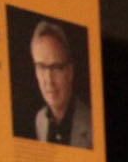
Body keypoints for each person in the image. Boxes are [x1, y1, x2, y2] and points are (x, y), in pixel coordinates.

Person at [28, 19, 92, 147]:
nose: (49, 80)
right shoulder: (40, 119)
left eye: (56, 67)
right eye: (41, 67)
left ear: (70, 72)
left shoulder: (92, 125)